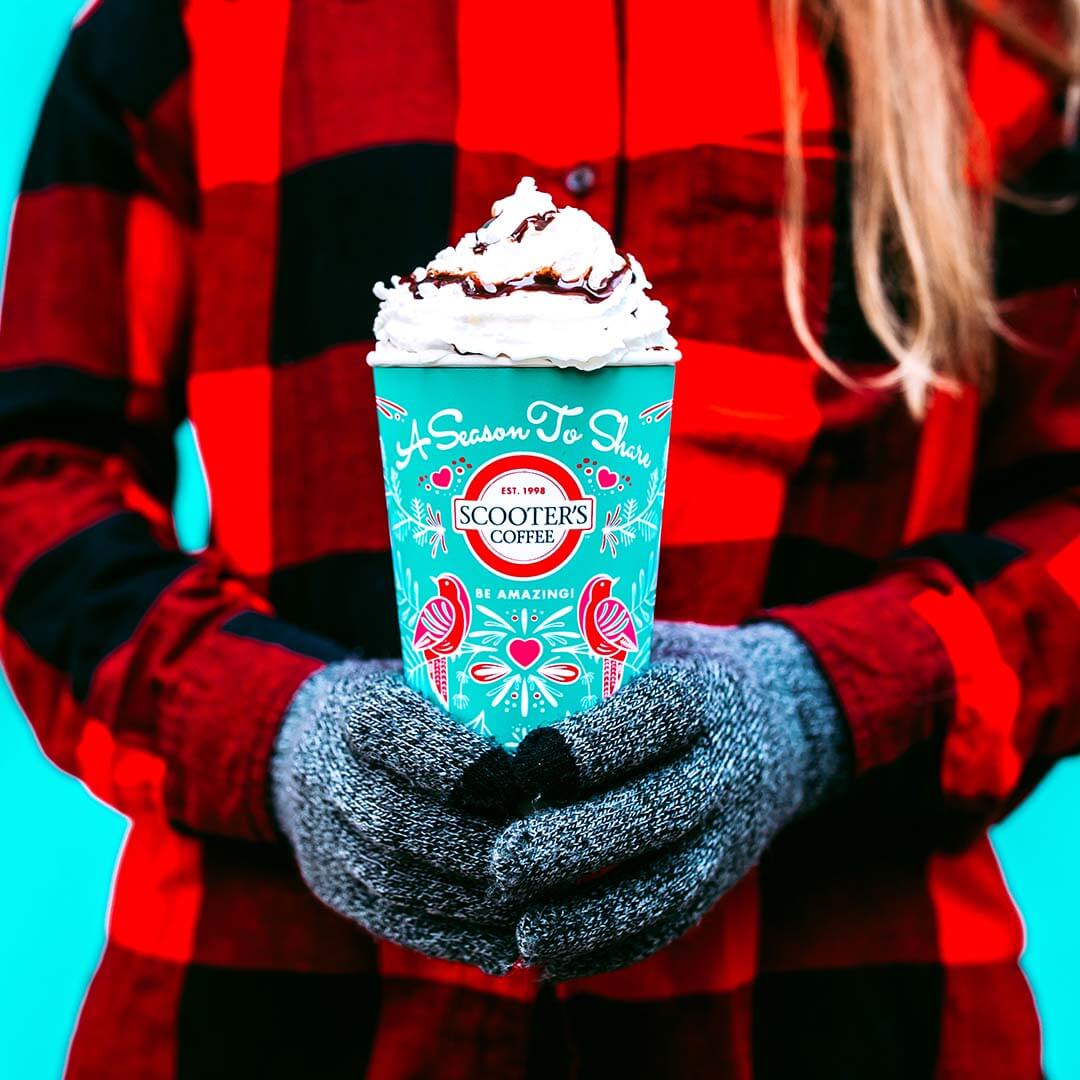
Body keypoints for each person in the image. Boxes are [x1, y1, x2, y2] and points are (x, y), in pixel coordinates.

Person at [1, 0, 1077, 1076]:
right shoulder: (180, 28)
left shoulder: (987, 42)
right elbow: (35, 481)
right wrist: (276, 735)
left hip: (836, 1017)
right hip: (269, 1012)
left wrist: (814, 710)